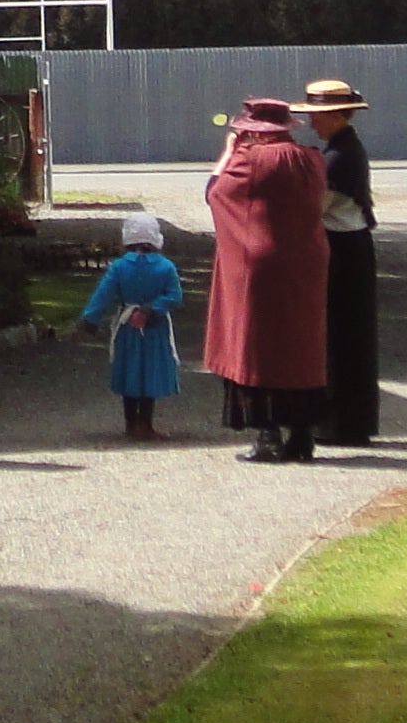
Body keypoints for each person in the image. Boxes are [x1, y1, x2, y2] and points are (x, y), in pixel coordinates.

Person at [204, 97, 329, 462]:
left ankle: (268, 435)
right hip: (307, 262)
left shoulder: (249, 160)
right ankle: (302, 435)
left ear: (253, 130)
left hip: (260, 268)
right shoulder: (312, 159)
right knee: (301, 346)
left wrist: (226, 156)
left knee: (258, 347)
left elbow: (215, 195)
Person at [302, 80, 380, 446]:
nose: (312, 122)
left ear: (335, 115)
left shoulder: (341, 156)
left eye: (318, 115)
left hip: (345, 250)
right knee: (344, 336)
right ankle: (346, 420)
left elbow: (316, 209)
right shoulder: (339, 149)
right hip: (348, 247)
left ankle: (344, 422)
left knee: (343, 337)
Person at [76, 213, 182, 437]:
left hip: (127, 326)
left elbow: (103, 294)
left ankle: (131, 423)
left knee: (129, 372)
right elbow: (175, 296)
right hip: (155, 328)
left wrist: (90, 319)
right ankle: (146, 423)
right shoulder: (166, 267)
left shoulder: (119, 267)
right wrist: (152, 309)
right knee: (149, 372)